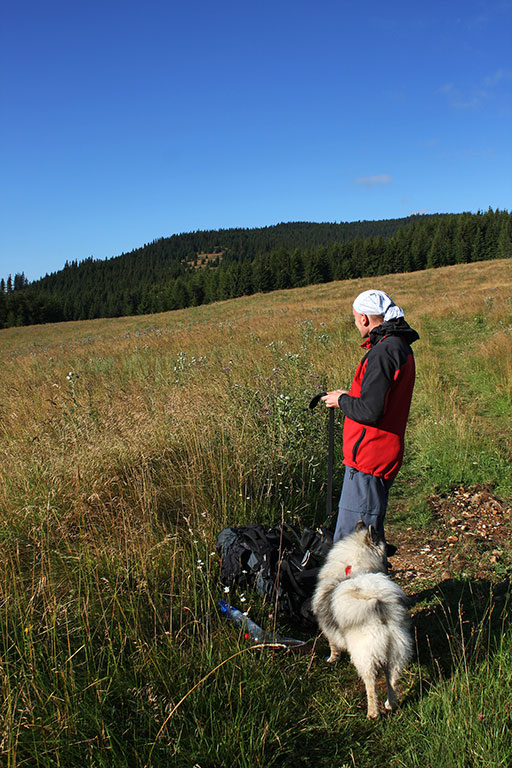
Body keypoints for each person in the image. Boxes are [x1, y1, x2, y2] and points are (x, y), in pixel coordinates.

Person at [322, 289, 419, 543]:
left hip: (369, 459)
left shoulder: (383, 352)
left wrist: (342, 401)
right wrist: (347, 396)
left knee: (354, 545)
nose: (355, 323)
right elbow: (377, 399)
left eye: (355, 318)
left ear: (364, 318)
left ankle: (358, 584)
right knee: (369, 539)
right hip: (379, 455)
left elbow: (372, 411)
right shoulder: (397, 346)